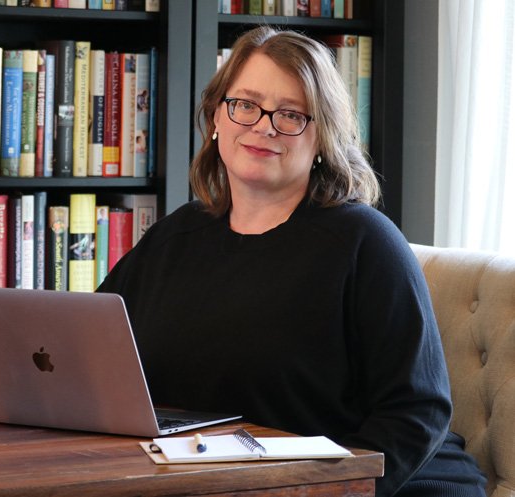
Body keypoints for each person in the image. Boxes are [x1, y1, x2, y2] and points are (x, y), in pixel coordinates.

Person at [98, 26, 486, 497]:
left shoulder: (365, 242)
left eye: (290, 114)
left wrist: (333, 490)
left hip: (378, 484)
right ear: (217, 115)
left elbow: (417, 412)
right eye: (245, 104)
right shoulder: (175, 236)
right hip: (226, 481)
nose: (262, 126)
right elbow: (96, 352)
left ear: (323, 136)